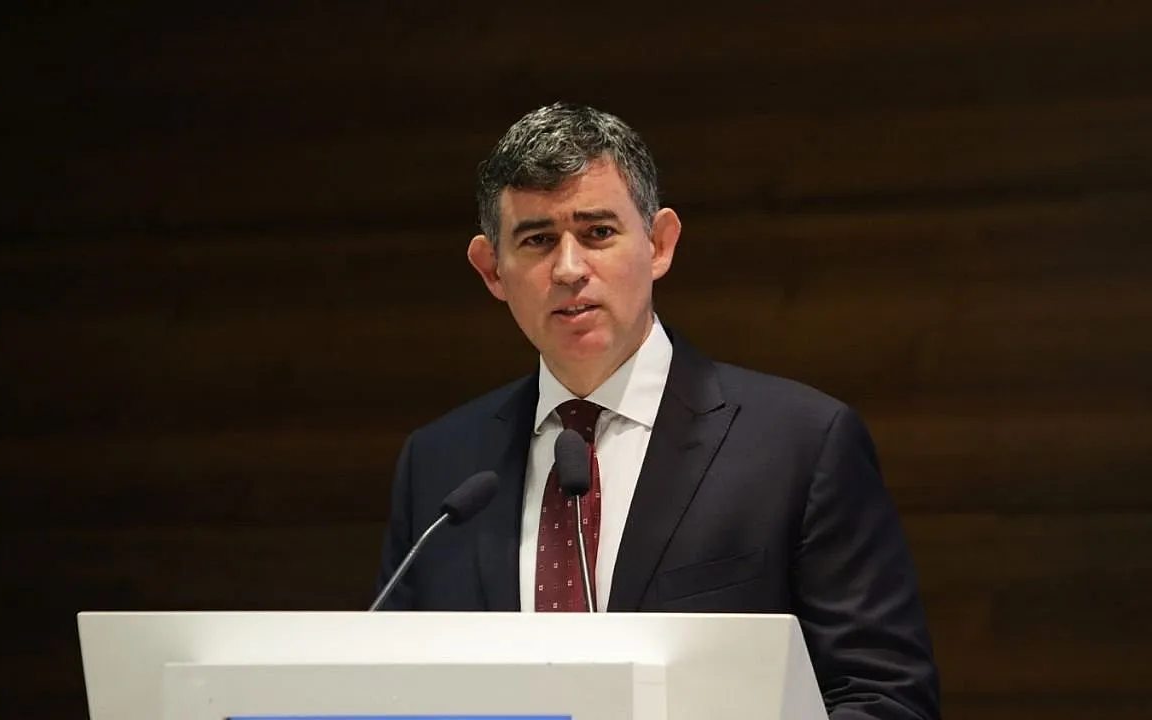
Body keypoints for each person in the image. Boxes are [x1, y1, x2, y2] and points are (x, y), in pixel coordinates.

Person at [375, 102, 941, 719]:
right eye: (537, 240)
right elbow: (393, 690)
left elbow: (884, 697)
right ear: (492, 270)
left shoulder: (800, 445)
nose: (569, 269)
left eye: (598, 233)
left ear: (659, 244)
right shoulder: (440, 467)